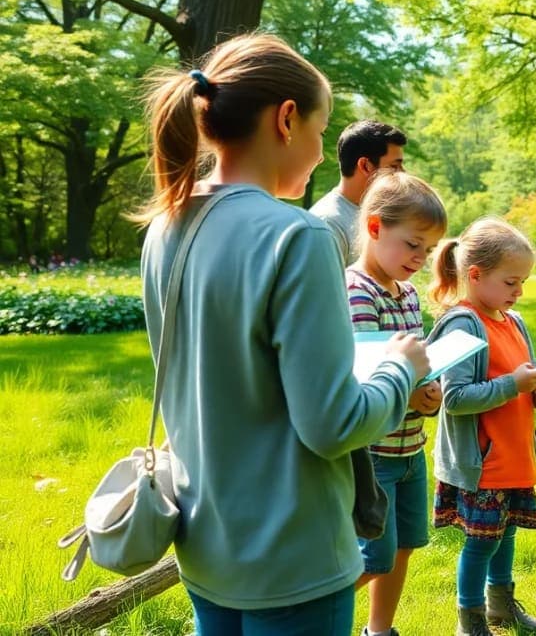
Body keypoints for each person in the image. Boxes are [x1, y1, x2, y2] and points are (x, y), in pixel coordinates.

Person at [138, 34, 430, 636]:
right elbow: (334, 425)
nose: (323, 153)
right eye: (323, 132)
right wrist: (400, 367)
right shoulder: (297, 237)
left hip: (204, 539)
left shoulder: (165, 225)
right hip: (294, 555)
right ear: (287, 119)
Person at [426, 217, 536, 636]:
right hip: (482, 461)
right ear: (475, 275)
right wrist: (512, 384)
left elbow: (524, 383)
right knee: (481, 541)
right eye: (511, 282)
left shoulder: (514, 320)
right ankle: (469, 621)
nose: (519, 292)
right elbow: (455, 398)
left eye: (521, 282)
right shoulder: (462, 324)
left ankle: (500, 606)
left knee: (506, 533)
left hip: (515, 452)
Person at [345, 169, 448, 636]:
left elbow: (416, 360)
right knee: (374, 556)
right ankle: (296, 614)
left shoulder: (407, 293)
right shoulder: (356, 290)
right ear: (374, 227)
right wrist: (414, 392)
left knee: (404, 545)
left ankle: (379, 631)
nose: (420, 258)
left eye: (427, 250)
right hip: (375, 453)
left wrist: (431, 394)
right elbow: (368, 372)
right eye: (412, 244)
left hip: (411, 448)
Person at [310, 120, 407, 266]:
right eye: (394, 166)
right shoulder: (329, 224)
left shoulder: (380, 212)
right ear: (365, 165)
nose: (403, 174)